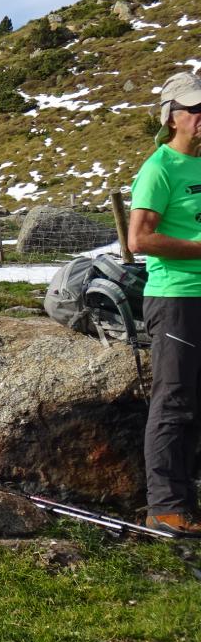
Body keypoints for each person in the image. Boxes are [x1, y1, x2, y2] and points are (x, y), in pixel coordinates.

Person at [128, 71, 201, 536]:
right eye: (195, 109)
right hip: (174, 297)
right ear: (172, 117)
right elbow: (139, 239)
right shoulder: (158, 168)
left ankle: (186, 500)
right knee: (173, 400)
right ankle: (164, 507)